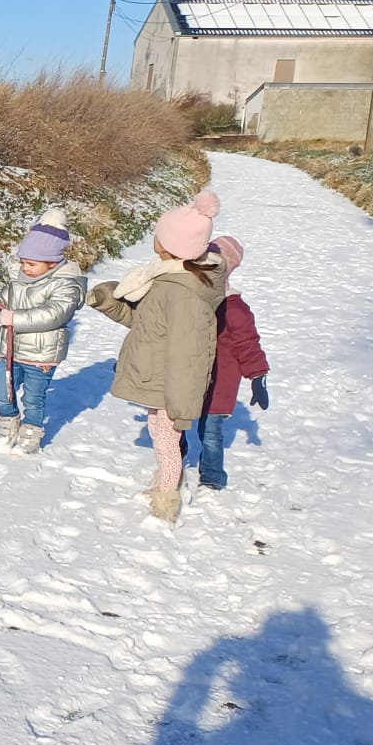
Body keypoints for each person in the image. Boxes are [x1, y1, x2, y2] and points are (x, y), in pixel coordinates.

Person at [87, 191, 226, 523]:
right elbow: (146, 323)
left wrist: (181, 405)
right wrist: (109, 300)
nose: (154, 238)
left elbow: (187, 355)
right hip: (159, 378)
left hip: (167, 384)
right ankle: (166, 483)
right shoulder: (166, 278)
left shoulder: (182, 293)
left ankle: (167, 498)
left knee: (166, 442)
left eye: (159, 234)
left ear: (171, 245)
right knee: (161, 439)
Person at [0, 206, 85, 455]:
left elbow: (54, 314)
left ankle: (31, 433)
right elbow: (2, 301)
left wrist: (13, 317)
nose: (25, 268)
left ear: (51, 263)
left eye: (31, 264)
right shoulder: (18, 281)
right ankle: (8, 425)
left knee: (33, 399)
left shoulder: (65, 284)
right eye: (23, 262)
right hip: (12, 350)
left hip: (41, 355)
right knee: (2, 392)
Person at [192, 234, 270, 489]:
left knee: (210, 432)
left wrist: (258, 376)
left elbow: (248, 345)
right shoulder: (193, 300)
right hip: (192, 377)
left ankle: (213, 476)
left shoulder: (234, 308)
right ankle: (174, 464)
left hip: (220, 383)